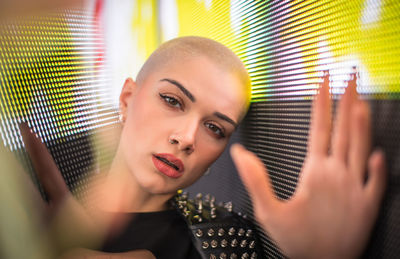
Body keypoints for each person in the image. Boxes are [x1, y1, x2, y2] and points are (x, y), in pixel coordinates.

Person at [19, 36, 387, 259]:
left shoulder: (223, 241)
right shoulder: (35, 213)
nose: (187, 138)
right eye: (173, 101)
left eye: (214, 128)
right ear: (128, 99)